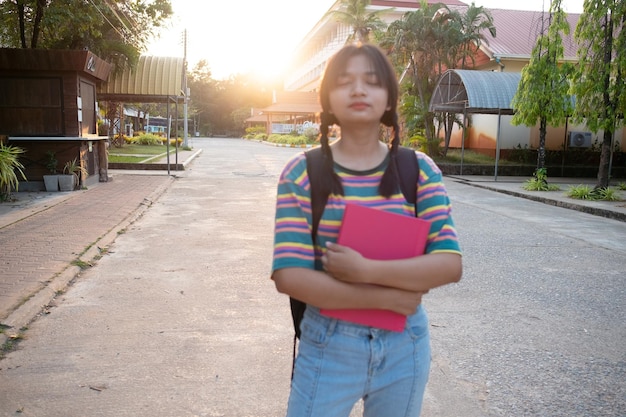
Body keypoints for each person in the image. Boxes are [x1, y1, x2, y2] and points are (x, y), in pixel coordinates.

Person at [271, 43, 462, 417]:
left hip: (404, 346)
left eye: (372, 82)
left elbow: (449, 264)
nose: (358, 90)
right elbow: (289, 275)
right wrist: (385, 298)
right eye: (345, 82)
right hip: (328, 343)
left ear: (389, 98)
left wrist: (367, 271)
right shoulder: (302, 173)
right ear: (327, 98)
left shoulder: (419, 171)